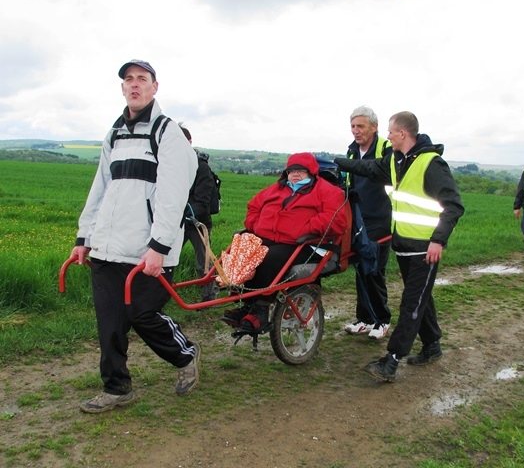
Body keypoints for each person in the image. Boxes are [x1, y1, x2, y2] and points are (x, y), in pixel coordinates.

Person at [71, 60, 200, 413]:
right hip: (108, 249)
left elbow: (173, 197)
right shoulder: (114, 134)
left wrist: (158, 247)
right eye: (128, 80)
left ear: (155, 87)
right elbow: (100, 188)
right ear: (123, 88)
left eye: (142, 79)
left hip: (148, 251)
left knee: (143, 314)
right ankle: (116, 388)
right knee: (109, 322)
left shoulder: (166, 133)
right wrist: (84, 238)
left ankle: (185, 355)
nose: (134, 85)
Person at [335, 111, 464, 382]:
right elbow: (368, 169)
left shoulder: (432, 164)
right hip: (403, 245)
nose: (389, 136)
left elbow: (453, 205)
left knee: (410, 305)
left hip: (425, 249)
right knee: (420, 298)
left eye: (392, 132)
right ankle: (432, 345)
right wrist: (335, 163)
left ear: (403, 134)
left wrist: (438, 240)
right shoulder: (396, 161)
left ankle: (391, 360)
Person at [221, 152, 348, 335]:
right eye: (291, 170)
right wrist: (255, 226)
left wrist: (304, 228)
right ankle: (247, 305)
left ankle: (260, 310)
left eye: (301, 171)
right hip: (272, 238)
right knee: (246, 252)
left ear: (311, 172)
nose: (295, 174)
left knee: (270, 258)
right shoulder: (276, 189)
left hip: (306, 244)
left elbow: (335, 221)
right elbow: (253, 208)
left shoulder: (328, 191)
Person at [343, 106, 393, 339]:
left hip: (381, 217)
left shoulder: (386, 149)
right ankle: (363, 319)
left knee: (375, 269)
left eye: (360, 126)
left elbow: (387, 176)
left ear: (374, 127)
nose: (356, 130)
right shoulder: (352, 151)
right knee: (361, 268)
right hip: (358, 218)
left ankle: (382, 321)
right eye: (353, 126)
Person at [180, 124, 217, 302]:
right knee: (164, 258)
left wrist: (182, 210)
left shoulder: (201, 168)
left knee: (203, 262)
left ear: (189, 142)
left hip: (198, 222)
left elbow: (202, 201)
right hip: (176, 221)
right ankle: (158, 294)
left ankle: (209, 296)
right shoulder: (170, 165)